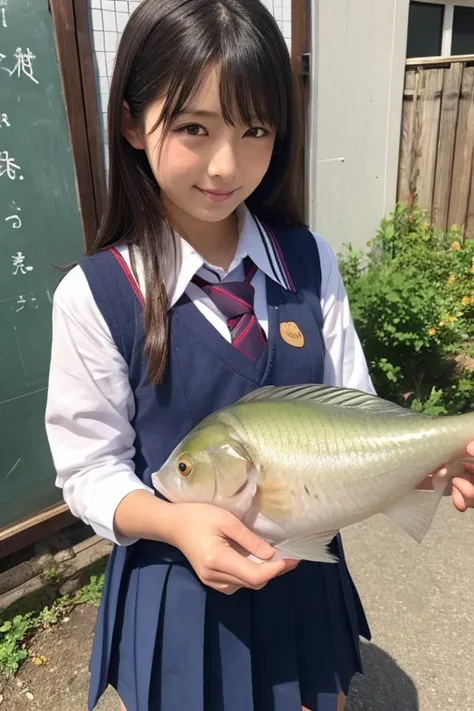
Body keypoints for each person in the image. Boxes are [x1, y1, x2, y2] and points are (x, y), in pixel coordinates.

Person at [44, 1, 474, 710]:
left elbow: (359, 420)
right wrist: (174, 521)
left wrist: (428, 465)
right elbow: (88, 467)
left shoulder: (310, 261)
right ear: (132, 123)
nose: (226, 164)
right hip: (178, 592)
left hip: (305, 580)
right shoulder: (96, 296)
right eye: (193, 128)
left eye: (255, 130)